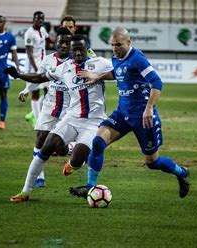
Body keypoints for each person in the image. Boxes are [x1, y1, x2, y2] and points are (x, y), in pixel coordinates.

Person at [72, 28, 190, 198]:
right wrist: (98, 76)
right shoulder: (116, 57)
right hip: (122, 114)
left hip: (143, 118)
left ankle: (182, 172)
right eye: (112, 45)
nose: (114, 49)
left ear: (129, 42)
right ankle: (90, 187)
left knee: (152, 162)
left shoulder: (137, 59)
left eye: (118, 45)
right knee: (98, 141)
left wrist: (149, 108)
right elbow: (117, 73)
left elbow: (157, 83)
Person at [4, 34, 113, 202]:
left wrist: (99, 77)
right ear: (70, 50)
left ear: (88, 48)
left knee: (77, 160)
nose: (77, 53)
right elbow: (40, 77)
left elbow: (120, 72)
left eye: (81, 49)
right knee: (45, 148)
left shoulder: (100, 64)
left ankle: (72, 164)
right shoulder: (65, 67)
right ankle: (25, 191)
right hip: (71, 118)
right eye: (74, 49)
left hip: (93, 122)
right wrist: (19, 75)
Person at [18, 27, 73, 188]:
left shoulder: (76, 61)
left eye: (67, 43)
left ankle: (70, 148)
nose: (64, 45)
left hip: (69, 108)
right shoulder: (48, 60)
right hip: (50, 105)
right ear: (55, 43)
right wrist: (26, 90)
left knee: (60, 149)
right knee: (40, 138)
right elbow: (38, 77)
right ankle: (39, 177)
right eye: (61, 42)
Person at [22, 11, 49, 128]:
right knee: (35, 93)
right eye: (38, 19)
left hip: (43, 66)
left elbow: (49, 40)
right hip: (33, 67)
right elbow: (29, 53)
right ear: (33, 19)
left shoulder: (43, 30)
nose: (40, 20)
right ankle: (38, 122)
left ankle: (33, 114)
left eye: (42, 19)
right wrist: (37, 69)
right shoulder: (29, 33)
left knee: (49, 91)